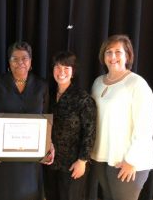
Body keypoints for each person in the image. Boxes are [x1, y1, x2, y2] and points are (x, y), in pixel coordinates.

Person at [0, 41, 54, 200]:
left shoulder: (42, 85)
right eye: (15, 59)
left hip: (30, 158)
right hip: (1, 156)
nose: (20, 62)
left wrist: (50, 144)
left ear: (31, 62)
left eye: (25, 58)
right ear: (9, 62)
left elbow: (46, 118)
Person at [91, 34, 153, 200]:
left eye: (118, 52)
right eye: (108, 52)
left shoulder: (136, 84)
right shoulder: (98, 82)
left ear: (127, 55)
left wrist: (131, 160)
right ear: (103, 56)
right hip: (102, 156)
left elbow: (145, 125)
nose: (113, 57)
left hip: (127, 161)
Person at [43, 51, 97, 200]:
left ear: (73, 72)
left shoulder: (83, 98)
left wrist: (82, 161)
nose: (61, 72)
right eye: (58, 67)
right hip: (50, 161)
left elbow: (90, 132)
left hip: (73, 163)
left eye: (66, 68)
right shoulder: (47, 94)